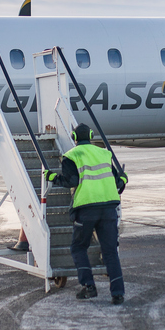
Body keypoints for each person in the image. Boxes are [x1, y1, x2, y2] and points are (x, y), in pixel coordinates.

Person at [47, 124, 128, 304]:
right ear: (91, 135)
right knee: (110, 251)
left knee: (78, 247)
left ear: (74, 137)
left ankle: (89, 286)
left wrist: (52, 177)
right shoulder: (104, 154)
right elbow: (118, 182)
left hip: (87, 208)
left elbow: (71, 181)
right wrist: (123, 179)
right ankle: (118, 293)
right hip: (109, 207)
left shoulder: (71, 156)